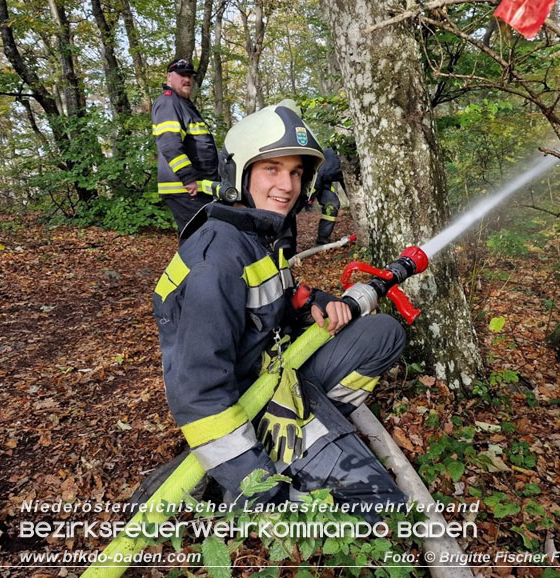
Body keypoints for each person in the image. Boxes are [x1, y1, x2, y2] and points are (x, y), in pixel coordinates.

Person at [151, 103, 407, 509]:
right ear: (240, 174)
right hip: (242, 404)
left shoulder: (256, 234)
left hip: (277, 374)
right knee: (373, 502)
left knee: (384, 333)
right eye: (272, 169)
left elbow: (279, 297)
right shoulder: (216, 261)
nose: (286, 186)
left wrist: (316, 303)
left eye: (295, 172)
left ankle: (317, 424)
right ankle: (236, 476)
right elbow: (199, 394)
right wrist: (258, 483)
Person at [152, 58, 219, 236]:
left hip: (196, 188)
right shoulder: (169, 102)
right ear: (169, 77)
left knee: (199, 238)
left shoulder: (182, 104)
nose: (187, 79)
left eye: (189, 75)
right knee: (199, 239)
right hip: (184, 189)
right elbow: (169, 143)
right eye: (182, 75)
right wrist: (188, 177)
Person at [310, 147, 347, 245]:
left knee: (332, 205)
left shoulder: (348, 163)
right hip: (312, 179)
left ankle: (323, 237)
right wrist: (310, 198)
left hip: (325, 183)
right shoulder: (333, 160)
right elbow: (317, 177)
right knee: (295, 208)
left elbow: (346, 181)